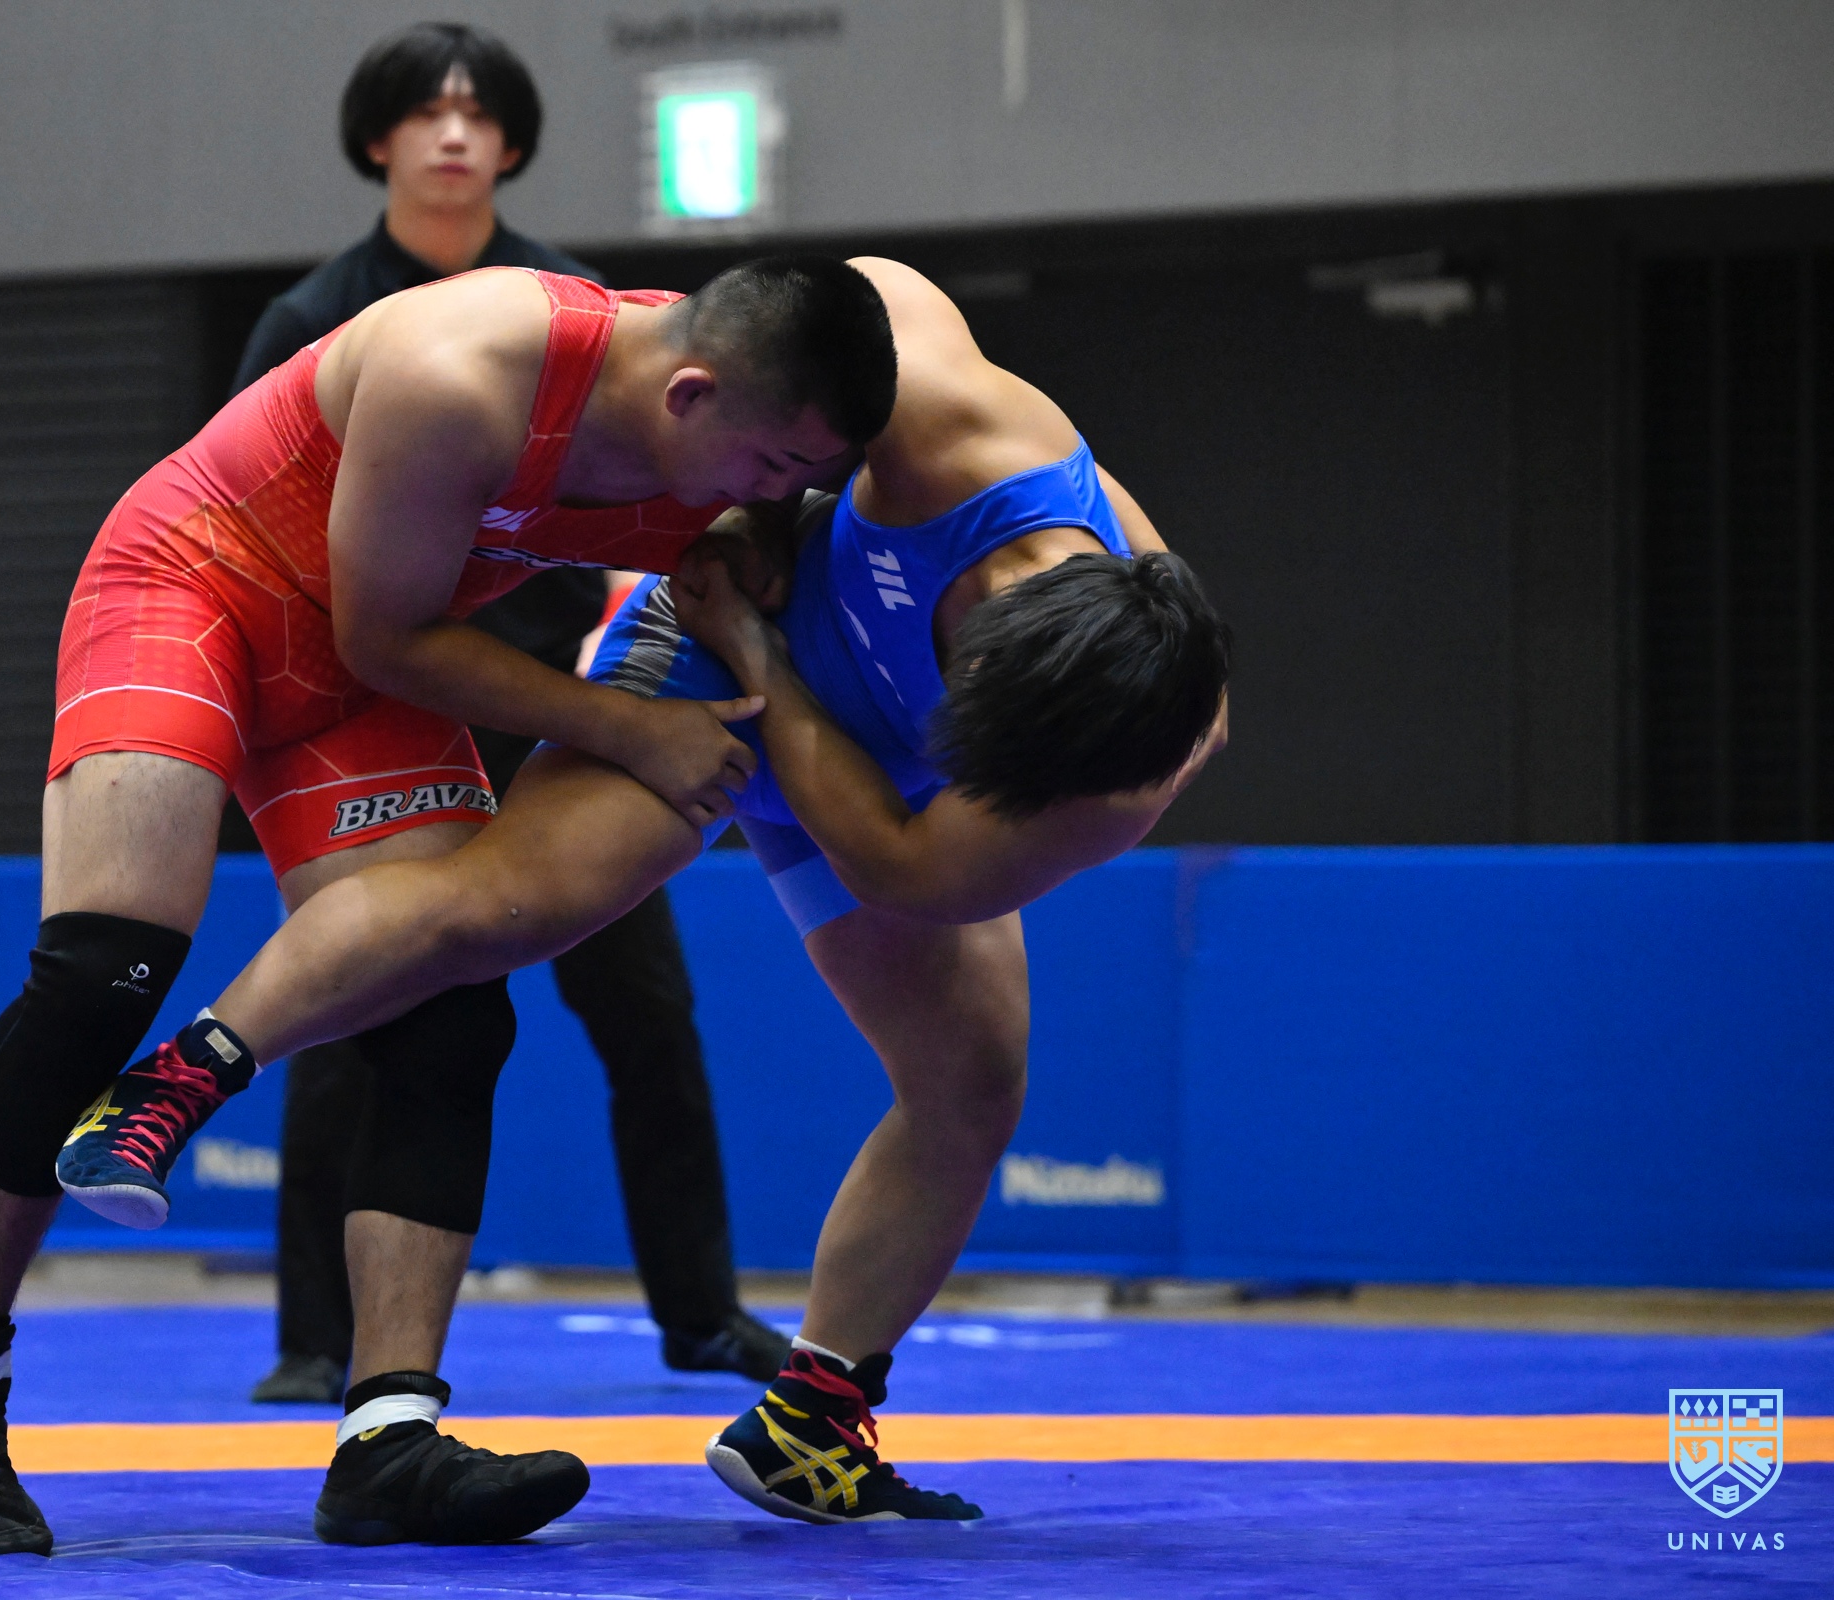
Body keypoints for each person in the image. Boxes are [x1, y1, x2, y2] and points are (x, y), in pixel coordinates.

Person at [60, 257, 1231, 1537]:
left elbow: (898, 868)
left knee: (970, 1082)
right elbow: (815, 322)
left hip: (803, 710)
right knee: (497, 908)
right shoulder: (954, 417)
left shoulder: (1105, 776)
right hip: (710, 655)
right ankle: (177, 1077)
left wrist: (762, 652)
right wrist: (748, 526)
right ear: (1001, 611)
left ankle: (814, 1417)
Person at [0, 251, 895, 1559]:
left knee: (447, 1008)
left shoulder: (739, 424)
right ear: (689, 396)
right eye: (769, 466)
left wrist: (758, 548)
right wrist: (623, 726)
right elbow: (382, 636)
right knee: (102, 974)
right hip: (196, 589)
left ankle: (387, 1440)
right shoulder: (465, 368)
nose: (774, 494)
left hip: (367, 669)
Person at [231, 20, 784, 1407]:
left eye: (478, 112)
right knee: (351, 1008)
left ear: (512, 142)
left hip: (559, 717)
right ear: (378, 139)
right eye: (425, 110)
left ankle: (701, 1313)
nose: (453, 133)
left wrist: (619, 662)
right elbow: (261, 533)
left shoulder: (578, 305)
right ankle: (314, 1336)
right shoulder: (309, 320)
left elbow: (647, 493)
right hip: (379, 710)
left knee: (648, 1012)